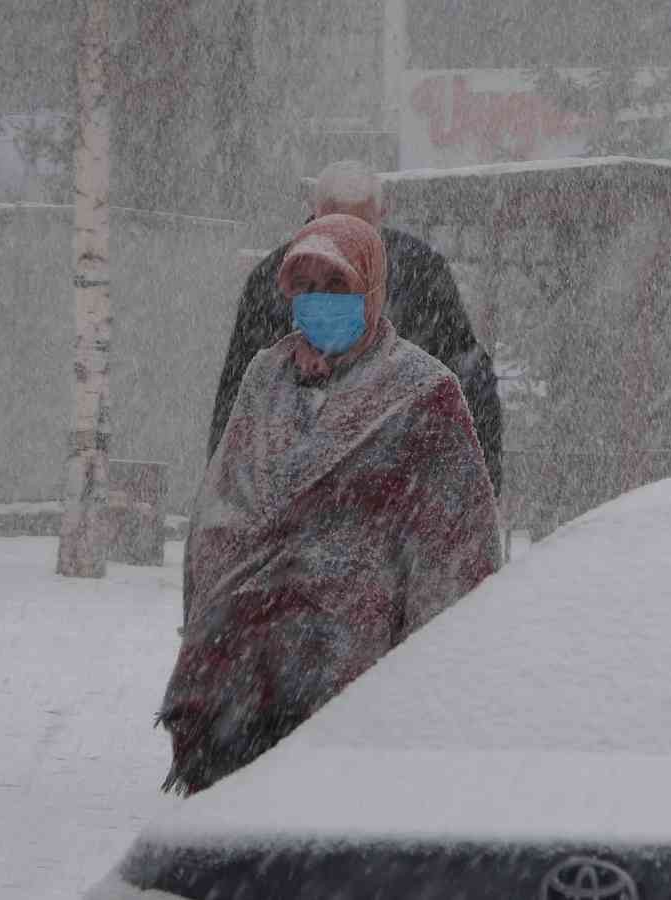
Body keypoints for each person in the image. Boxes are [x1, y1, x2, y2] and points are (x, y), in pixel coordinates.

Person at [160, 214, 502, 795]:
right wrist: (212, 609)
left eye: (337, 286)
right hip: (236, 671)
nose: (319, 301)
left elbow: (456, 555)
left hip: (352, 682)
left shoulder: (424, 395)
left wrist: (428, 684)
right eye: (306, 286)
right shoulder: (266, 377)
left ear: (371, 292)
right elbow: (221, 503)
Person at [209, 160, 505, 493]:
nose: (348, 241)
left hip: (399, 493)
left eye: (361, 226)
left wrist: (480, 485)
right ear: (315, 212)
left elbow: (466, 375)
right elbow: (237, 401)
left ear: (382, 214)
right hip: (293, 498)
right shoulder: (273, 280)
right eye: (337, 223)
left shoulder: (420, 273)